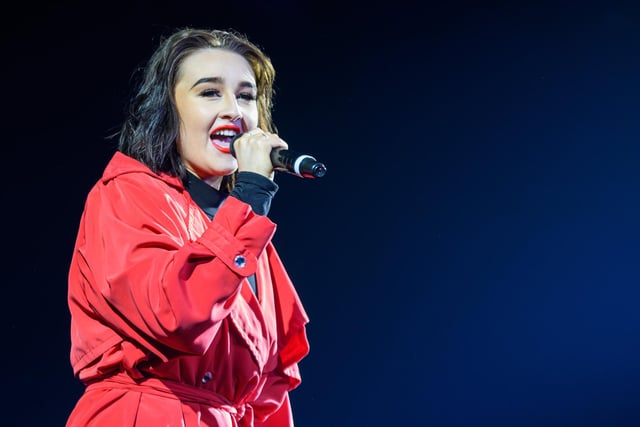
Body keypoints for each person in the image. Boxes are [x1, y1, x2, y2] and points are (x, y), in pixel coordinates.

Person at [66, 27, 310, 427]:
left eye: (246, 96)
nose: (234, 109)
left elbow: (267, 391)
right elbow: (178, 317)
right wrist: (249, 197)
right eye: (210, 92)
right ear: (167, 108)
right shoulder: (128, 193)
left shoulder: (250, 236)